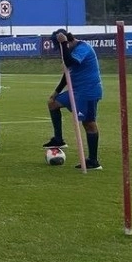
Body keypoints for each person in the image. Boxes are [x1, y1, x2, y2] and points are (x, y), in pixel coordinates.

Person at [45, 29, 103, 170]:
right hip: (75, 91)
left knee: (88, 124)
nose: (60, 52)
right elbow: (67, 72)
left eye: (60, 48)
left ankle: (93, 161)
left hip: (88, 92)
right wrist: (57, 91)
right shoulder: (68, 49)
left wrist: (63, 43)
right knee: (52, 103)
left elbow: (70, 63)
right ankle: (58, 139)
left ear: (67, 40)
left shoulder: (83, 48)